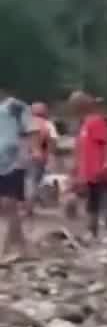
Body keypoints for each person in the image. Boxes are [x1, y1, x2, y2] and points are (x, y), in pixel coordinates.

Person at [70, 91, 107, 240]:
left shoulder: (96, 121)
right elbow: (82, 149)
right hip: (91, 173)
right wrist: (77, 169)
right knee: (93, 203)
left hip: (102, 172)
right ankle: (93, 233)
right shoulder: (85, 124)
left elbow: (106, 144)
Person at [0, 88, 37, 259]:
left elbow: (30, 131)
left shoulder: (16, 107)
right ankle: (17, 245)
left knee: (8, 203)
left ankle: (11, 248)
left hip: (14, 162)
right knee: (6, 206)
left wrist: (30, 152)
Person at [26, 102, 57, 216]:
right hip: (40, 156)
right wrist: (50, 155)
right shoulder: (48, 124)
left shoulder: (25, 123)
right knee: (34, 180)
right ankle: (31, 204)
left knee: (28, 180)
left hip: (22, 157)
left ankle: (27, 204)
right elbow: (53, 141)